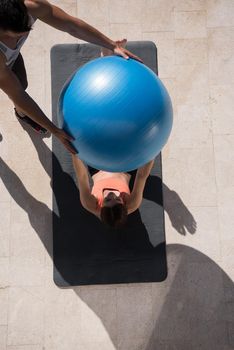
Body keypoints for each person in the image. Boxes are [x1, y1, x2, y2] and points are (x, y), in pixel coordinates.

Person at [0, 0, 142, 154]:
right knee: (16, 88)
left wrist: (112, 45)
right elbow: (17, 94)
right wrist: (54, 129)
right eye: (15, 35)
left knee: (22, 84)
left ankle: (22, 113)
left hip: (7, 60)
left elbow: (70, 25)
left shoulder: (32, 5)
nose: (26, 34)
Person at [72, 154, 155, 229]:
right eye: (118, 199)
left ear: (101, 207)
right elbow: (142, 176)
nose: (112, 195)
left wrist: (74, 153)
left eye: (107, 200)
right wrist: (153, 151)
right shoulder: (132, 203)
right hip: (125, 168)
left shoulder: (90, 204)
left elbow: (82, 177)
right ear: (124, 205)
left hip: (98, 168)